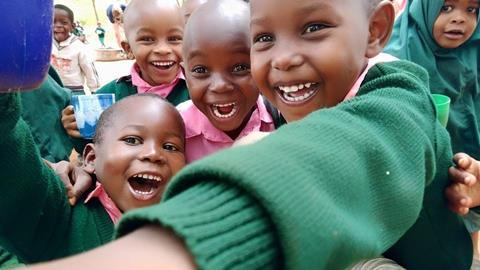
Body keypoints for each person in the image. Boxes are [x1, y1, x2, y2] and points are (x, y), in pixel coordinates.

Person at [26, 0, 473, 269]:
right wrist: (85, 169)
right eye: (263, 38)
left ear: (375, 30)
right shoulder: (277, 106)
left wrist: (183, 244)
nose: (283, 58)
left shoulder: (398, 87)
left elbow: (361, 144)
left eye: (314, 28)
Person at [0, 93, 186, 265]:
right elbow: (9, 148)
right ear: (92, 158)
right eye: (132, 140)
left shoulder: (191, 225)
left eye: (170, 146)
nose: (153, 154)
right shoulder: (60, 213)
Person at [384, 0, 480, 260]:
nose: (460, 18)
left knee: (469, 218)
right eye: (446, 7)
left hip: (469, 164)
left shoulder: (472, 49)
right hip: (420, 169)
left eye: (471, 9)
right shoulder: (397, 56)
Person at [61, 0, 189, 150]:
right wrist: (76, 129)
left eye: (174, 39)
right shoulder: (109, 97)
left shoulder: (197, 92)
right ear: (128, 48)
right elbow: (92, 149)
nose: (162, 49)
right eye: (147, 39)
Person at [177, 0, 276, 163]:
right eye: (200, 70)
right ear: (185, 75)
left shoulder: (280, 119)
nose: (220, 85)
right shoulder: (175, 130)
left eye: (240, 67)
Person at [51, 4, 100, 94]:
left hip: (74, 91)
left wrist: (95, 91)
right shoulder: (46, 46)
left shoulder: (79, 47)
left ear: (72, 26)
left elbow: (89, 70)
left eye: (64, 22)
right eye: (53, 22)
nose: (58, 26)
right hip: (52, 91)